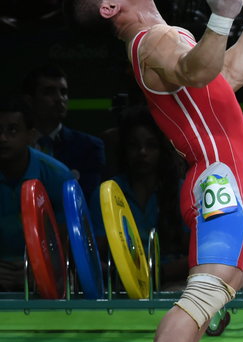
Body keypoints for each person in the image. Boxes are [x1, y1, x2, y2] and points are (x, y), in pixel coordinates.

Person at [63, 0, 243, 342]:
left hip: (227, 174)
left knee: (232, 279)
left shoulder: (164, 34)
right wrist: (220, 19)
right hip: (218, 176)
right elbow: (198, 71)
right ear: (109, 7)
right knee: (206, 290)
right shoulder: (152, 42)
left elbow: (225, 77)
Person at [88, 107, 189, 290]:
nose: (142, 152)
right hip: (119, 284)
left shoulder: (182, 191)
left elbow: (197, 256)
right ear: (124, 150)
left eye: (151, 145)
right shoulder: (106, 193)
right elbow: (95, 253)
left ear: (162, 150)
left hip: (172, 284)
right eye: (134, 145)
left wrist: (155, 275)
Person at [0, 97, 74, 291]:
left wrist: (41, 272)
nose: (3, 138)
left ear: (31, 136)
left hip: (44, 274)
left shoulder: (58, 176)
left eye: (12, 130)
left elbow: (65, 241)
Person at [21, 63, 105, 201]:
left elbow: (86, 201)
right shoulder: (16, 147)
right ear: (29, 100)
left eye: (63, 92)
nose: (59, 98)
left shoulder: (88, 147)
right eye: (49, 92)